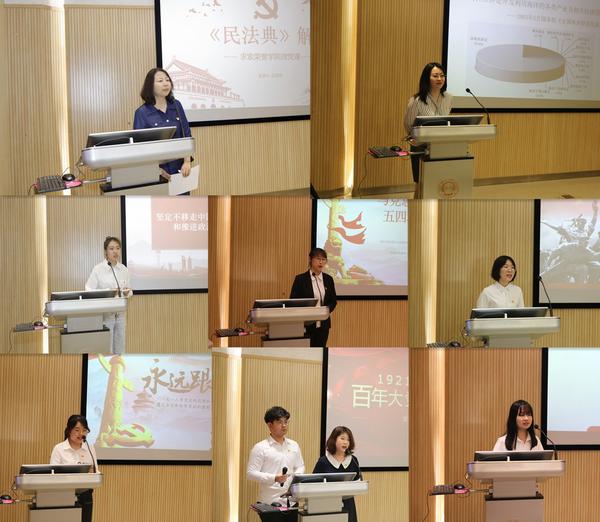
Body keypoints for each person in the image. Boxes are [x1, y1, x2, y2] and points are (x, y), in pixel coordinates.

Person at [133, 68, 192, 181]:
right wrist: (156, 170)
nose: (165, 83)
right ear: (150, 86)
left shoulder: (176, 105)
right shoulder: (142, 113)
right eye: (160, 81)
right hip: (156, 172)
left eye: (167, 80)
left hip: (180, 169)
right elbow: (139, 148)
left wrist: (187, 161)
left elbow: (186, 135)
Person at [247, 406, 305, 512]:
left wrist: (296, 479)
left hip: (291, 501)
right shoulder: (260, 447)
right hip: (269, 503)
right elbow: (251, 473)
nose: (284, 425)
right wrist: (274, 478)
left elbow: (300, 466)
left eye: (286, 422)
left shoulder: (294, 445)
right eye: (279, 422)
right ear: (270, 425)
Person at [403, 62, 453, 183]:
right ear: (427, 78)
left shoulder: (449, 98)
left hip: (441, 146)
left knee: (439, 183)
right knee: (421, 183)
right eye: (435, 76)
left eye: (442, 75)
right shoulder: (417, 100)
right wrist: (416, 138)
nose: (440, 79)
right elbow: (409, 124)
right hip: (421, 147)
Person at [85, 236, 132, 354]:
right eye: (111, 248)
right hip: (106, 315)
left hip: (120, 315)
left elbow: (129, 290)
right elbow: (88, 289)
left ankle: (119, 366)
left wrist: (128, 292)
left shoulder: (124, 269)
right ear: (106, 251)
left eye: (117, 248)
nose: (115, 251)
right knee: (107, 348)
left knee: (120, 348)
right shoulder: (98, 269)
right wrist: (106, 292)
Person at [50, 415, 99, 522]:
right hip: (64, 495)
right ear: (69, 430)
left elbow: (96, 472)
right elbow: (52, 475)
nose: (81, 433)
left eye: (84, 430)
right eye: (77, 430)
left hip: (86, 496)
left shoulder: (90, 449)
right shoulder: (59, 449)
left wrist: (93, 473)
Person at [290, 248, 337, 347]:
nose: (321, 262)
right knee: (306, 352)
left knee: (320, 351)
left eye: (323, 259)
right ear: (310, 259)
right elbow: (293, 302)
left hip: (323, 325)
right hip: (306, 325)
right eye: (318, 259)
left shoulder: (328, 279)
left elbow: (333, 301)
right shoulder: (300, 279)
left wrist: (326, 311)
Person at [313, 426, 362, 522]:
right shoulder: (323, 461)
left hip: (348, 503)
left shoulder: (353, 460)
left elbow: (358, 481)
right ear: (334, 440)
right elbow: (313, 483)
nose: (345, 442)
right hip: (328, 504)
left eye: (348, 440)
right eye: (342, 438)